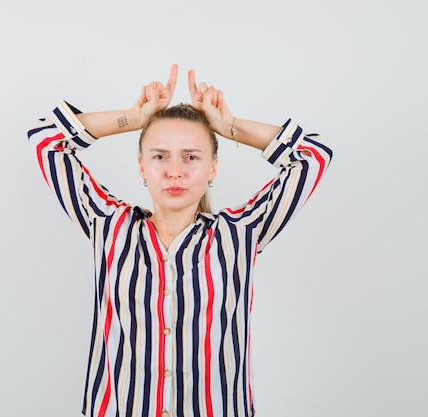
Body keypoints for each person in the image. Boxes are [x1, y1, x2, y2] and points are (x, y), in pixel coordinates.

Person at [26, 64, 332, 417]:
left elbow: (312, 156)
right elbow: (47, 139)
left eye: (191, 156)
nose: (175, 171)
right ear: (141, 166)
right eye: (159, 156)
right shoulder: (109, 226)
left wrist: (227, 127)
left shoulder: (241, 233)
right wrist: (132, 117)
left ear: (213, 167)